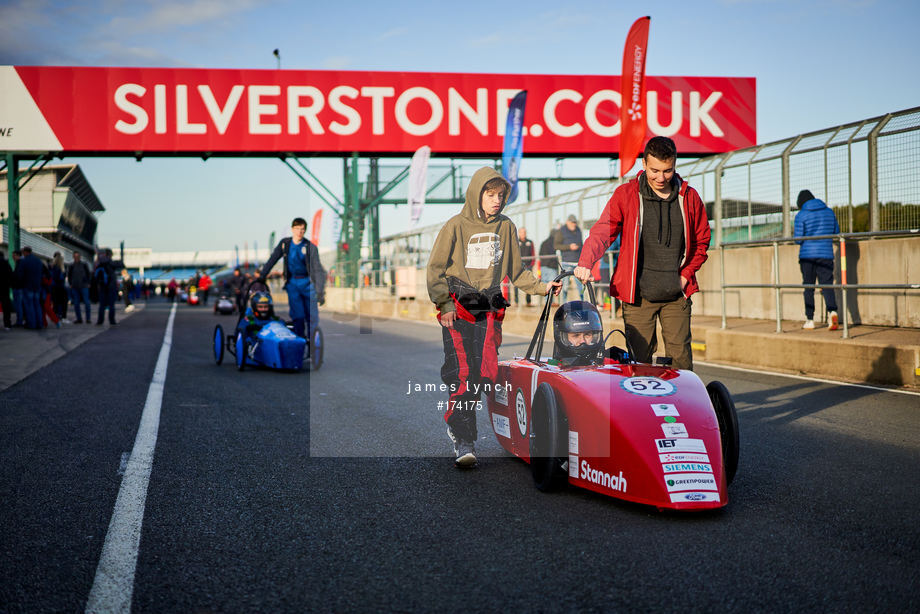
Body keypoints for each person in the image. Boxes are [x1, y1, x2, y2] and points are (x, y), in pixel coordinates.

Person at [427, 166, 561, 467]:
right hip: (457, 307)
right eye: (490, 194)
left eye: (501, 195)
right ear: (477, 194)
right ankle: (463, 438)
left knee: (484, 374)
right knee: (462, 373)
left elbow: (516, 271)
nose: (496, 200)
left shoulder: (506, 227)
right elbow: (435, 270)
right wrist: (443, 305)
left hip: (489, 308)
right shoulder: (455, 226)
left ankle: (460, 427)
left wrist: (542, 287)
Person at [574, 136, 711, 371]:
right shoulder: (626, 195)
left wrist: (685, 276)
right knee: (640, 363)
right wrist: (586, 261)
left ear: (675, 165)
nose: (661, 177)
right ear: (644, 165)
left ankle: (679, 407)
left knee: (681, 360)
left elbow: (702, 241)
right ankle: (644, 408)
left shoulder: (689, 197)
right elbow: (602, 232)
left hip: (676, 294)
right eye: (654, 170)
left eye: (667, 171)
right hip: (637, 296)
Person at [260, 217, 326, 339]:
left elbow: (317, 269)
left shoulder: (310, 247)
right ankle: (299, 342)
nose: (299, 232)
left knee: (312, 317)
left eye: (302, 229)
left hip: (308, 284)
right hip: (292, 284)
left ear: (305, 231)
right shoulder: (285, 244)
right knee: (298, 316)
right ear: (292, 229)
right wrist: (262, 276)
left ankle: (312, 344)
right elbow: (273, 259)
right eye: (297, 229)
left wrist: (320, 292)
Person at [794, 189, 840, 330]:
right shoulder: (829, 212)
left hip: (807, 256)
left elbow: (798, 239)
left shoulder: (801, 215)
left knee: (808, 287)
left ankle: (810, 320)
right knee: (827, 285)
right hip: (826, 254)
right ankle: (833, 312)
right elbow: (836, 232)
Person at [552, 300, 606, 367]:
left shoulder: (605, 362)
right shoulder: (553, 368)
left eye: (587, 335)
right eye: (576, 335)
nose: (582, 341)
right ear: (564, 338)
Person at [555, 214, 584, 302]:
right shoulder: (561, 231)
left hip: (577, 263)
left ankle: (583, 304)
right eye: (572, 222)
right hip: (566, 263)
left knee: (581, 286)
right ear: (567, 222)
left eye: (575, 222)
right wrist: (569, 247)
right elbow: (556, 245)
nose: (573, 224)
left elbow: (581, 243)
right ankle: (563, 305)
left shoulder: (578, 230)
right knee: (564, 286)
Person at [17, 246, 44, 330]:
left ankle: (32, 324)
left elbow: (20, 275)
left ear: (25, 252)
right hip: (37, 286)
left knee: (29, 306)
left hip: (28, 286)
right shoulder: (38, 261)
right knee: (37, 305)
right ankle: (39, 323)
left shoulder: (24, 261)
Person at [94, 249, 118, 325]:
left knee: (102, 305)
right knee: (111, 305)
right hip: (111, 286)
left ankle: (100, 321)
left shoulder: (100, 262)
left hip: (102, 285)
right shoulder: (111, 262)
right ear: (110, 254)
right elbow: (120, 265)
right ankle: (112, 320)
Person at [67, 251, 92, 323]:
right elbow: (69, 275)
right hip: (75, 286)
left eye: (77, 256)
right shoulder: (71, 265)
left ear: (80, 257)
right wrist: (70, 284)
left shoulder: (84, 265)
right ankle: (79, 318)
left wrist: (88, 283)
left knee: (87, 302)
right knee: (76, 303)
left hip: (84, 286)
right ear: (73, 257)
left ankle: (88, 318)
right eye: (75, 257)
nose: (76, 258)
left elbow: (88, 274)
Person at [514, 227, 536, 306]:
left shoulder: (530, 242)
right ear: (519, 233)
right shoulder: (515, 242)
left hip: (528, 266)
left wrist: (532, 265)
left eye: (524, 232)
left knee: (529, 283)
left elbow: (533, 254)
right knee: (516, 283)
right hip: (518, 267)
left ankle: (528, 302)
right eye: (521, 232)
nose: (523, 234)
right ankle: (516, 301)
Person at [0, 251, 13, 330]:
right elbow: (10, 275)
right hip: (5, 288)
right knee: (6, 307)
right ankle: (7, 324)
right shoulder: (6, 263)